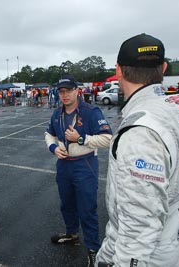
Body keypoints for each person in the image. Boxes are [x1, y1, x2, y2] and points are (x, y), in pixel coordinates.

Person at [96, 33, 179, 266]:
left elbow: (140, 225)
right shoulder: (175, 110)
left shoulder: (140, 132)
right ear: (163, 67)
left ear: (118, 70)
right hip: (169, 230)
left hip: (149, 251)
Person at [44, 74, 112, 267]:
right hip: (64, 165)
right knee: (67, 203)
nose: (64, 95)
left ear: (77, 91)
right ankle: (72, 234)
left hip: (85, 164)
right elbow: (49, 133)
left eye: (68, 91)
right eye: (61, 91)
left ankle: (93, 249)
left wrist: (81, 139)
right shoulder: (57, 113)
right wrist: (53, 148)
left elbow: (108, 138)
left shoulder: (91, 112)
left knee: (87, 208)